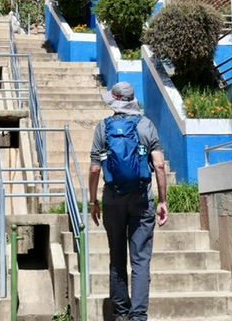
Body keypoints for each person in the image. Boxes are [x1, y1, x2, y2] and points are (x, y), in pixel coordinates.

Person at [88, 81, 168, 321]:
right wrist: (163, 201)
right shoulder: (146, 125)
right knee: (140, 260)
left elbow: (94, 169)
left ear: (114, 101)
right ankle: (138, 316)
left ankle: (121, 313)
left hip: (112, 201)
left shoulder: (103, 128)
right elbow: (159, 165)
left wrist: (93, 201)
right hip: (142, 200)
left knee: (117, 258)